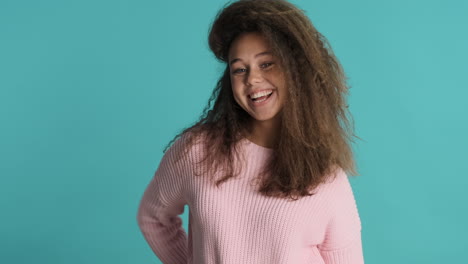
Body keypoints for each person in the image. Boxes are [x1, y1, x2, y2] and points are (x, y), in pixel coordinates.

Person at [136, 0, 364, 263]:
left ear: (295, 70)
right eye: (240, 69)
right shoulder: (196, 151)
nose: (252, 79)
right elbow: (153, 218)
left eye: (266, 64)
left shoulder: (327, 179)